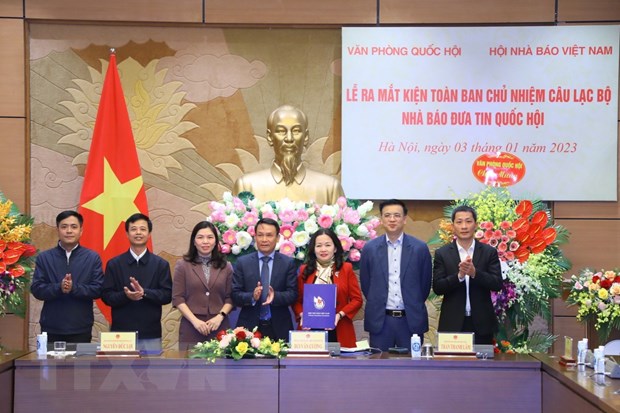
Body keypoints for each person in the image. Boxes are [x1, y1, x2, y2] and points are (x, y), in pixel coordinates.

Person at [233, 104, 345, 204]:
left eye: (296, 131)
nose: (289, 138)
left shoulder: (330, 189)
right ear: (270, 137)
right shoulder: (246, 187)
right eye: (281, 131)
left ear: (305, 137)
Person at [360, 199, 432, 351]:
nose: (392, 219)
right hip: (381, 322)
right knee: (380, 364)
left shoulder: (419, 248)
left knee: (412, 364)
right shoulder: (370, 248)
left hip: (410, 321)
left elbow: (424, 285)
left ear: (404, 219)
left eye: (397, 215)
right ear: (381, 219)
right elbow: (366, 284)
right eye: (387, 215)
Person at [101, 213, 172, 353]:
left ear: (149, 234)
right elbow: (106, 296)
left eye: (142, 229)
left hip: (151, 334)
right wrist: (126, 295)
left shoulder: (161, 264)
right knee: (120, 368)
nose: (138, 233)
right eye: (133, 229)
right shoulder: (114, 264)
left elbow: (167, 295)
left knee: (153, 368)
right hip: (121, 334)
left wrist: (144, 293)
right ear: (127, 234)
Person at [433, 205, 503, 345]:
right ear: (453, 226)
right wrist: (459, 276)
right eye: (459, 222)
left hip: (482, 324)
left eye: (468, 221)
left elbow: (497, 284)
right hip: (452, 323)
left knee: (482, 359)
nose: (464, 226)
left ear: (475, 225)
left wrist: (475, 273)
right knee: (452, 360)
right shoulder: (443, 253)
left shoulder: (488, 252)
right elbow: (438, 287)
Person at [30, 210, 104, 344]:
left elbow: (98, 289)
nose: (69, 231)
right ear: (57, 230)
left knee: (80, 359)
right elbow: (37, 289)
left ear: (81, 231)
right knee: (50, 359)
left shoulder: (92, 258)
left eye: (74, 227)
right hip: (51, 327)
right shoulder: (44, 257)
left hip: (81, 328)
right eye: (64, 227)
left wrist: (73, 288)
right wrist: (59, 287)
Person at [293, 228, 363, 347]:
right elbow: (296, 300)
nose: (323, 249)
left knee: (339, 359)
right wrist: (302, 314)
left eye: (328, 245)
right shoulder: (305, 270)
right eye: (319, 245)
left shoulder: (346, 268)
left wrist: (340, 314)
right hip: (310, 330)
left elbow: (357, 300)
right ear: (313, 249)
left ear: (335, 248)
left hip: (339, 327)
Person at [232, 217, 297, 340]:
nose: (264, 239)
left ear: (277, 238)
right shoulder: (242, 263)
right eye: (260, 235)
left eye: (269, 235)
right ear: (255, 237)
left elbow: (293, 294)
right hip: (248, 327)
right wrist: (252, 296)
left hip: (280, 327)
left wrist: (275, 296)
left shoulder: (287, 263)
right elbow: (235, 294)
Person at [172, 221, 234, 350]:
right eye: (200, 237)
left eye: (210, 237)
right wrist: (195, 321)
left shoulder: (226, 266)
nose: (205, 241)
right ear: (194, 241)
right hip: (191, 327)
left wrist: (219, 317)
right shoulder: (182, 265)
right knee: (191, 362)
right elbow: (178, 298)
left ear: (216, 241)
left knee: (220, 362)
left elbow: (231, 298)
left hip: (219, 327)